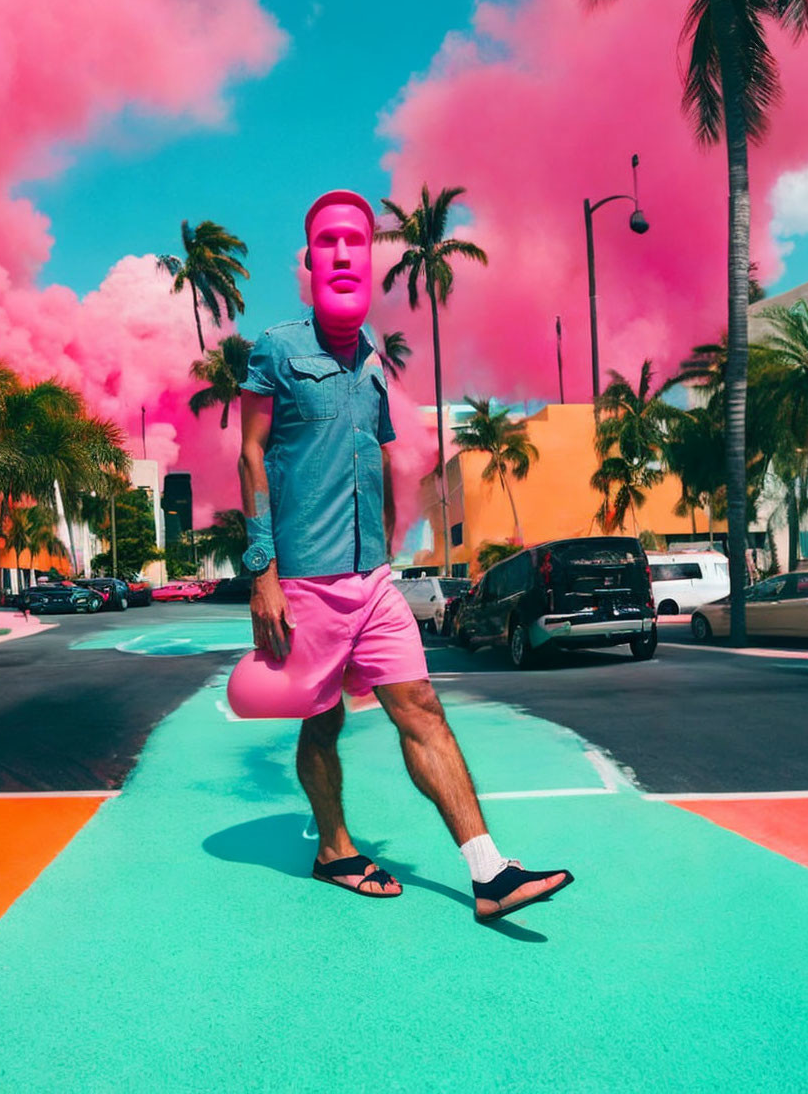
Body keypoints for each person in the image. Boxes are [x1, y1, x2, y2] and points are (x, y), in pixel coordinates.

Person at [227, 189, 573, 924]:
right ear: (313, 260)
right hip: (307, 578)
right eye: (330, 242)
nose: (346, 253)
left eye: (358, 240)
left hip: (373, 576)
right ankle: (334, 849)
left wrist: (387, 545)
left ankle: (489, 872)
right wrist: (263, 574)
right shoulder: (278, 349)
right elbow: (251, 455)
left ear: (370, 256)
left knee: (421, 706)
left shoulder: (376, 365)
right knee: (320, 723)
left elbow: (381, 459)